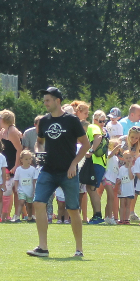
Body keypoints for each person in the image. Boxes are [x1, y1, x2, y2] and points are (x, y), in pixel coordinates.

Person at [27, 87, 88, 257]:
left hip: (68, 172)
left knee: (73, 209)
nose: (45, 103)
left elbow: (86, 144)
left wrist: (73, 164)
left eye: (48, 100)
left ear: (57, 101)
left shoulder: (72, 120)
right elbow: (39, 141)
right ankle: (43, 247)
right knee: (38, 203)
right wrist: (38, 151)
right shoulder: (44, 121)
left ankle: (79, 249)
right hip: (48, 170)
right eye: (45, 100)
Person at [12, 149, 38, 222]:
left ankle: (30, 217)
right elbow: (16, 180)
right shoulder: (19, 170)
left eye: (30, 159)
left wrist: (34, 190)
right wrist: (16, 188)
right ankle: (17, 217)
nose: (28, 161)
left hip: (30, 190)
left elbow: (34, 180)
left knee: (30, 205)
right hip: (21, 190)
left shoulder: (33, 169)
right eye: (26, 159)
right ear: (21, 160)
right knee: (21, 202)